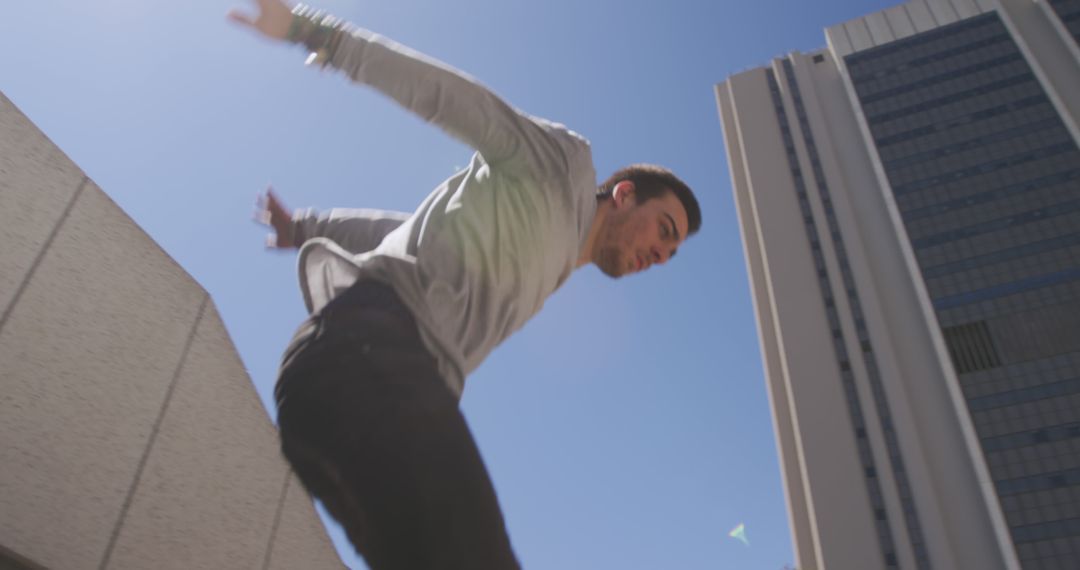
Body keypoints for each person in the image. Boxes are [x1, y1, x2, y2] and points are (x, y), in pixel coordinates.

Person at [230, 1, 702, 568]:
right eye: (664, 231)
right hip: (368, 358)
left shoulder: (549, 254)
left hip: (344, 391)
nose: (661, 254)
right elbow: (452, 98)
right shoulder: (563, 166)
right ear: (625, 195)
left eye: (672, 254)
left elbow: (401, 231)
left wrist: (306, 226)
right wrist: (314, 31)